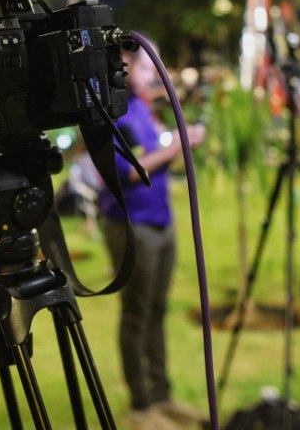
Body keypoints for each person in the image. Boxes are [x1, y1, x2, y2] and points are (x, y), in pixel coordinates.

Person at [98, 45, 207, 430]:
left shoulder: (142, 107)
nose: (155, 74)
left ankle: (162, 397)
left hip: (161, 219)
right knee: (137, 313)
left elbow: (155, 160)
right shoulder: (111, 112)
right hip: (132, 225)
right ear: (125, 63)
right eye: (148, 65)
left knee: (158, 310)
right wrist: (178, 145)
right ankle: (141, 407)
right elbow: (126, 172)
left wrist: (180, 143)